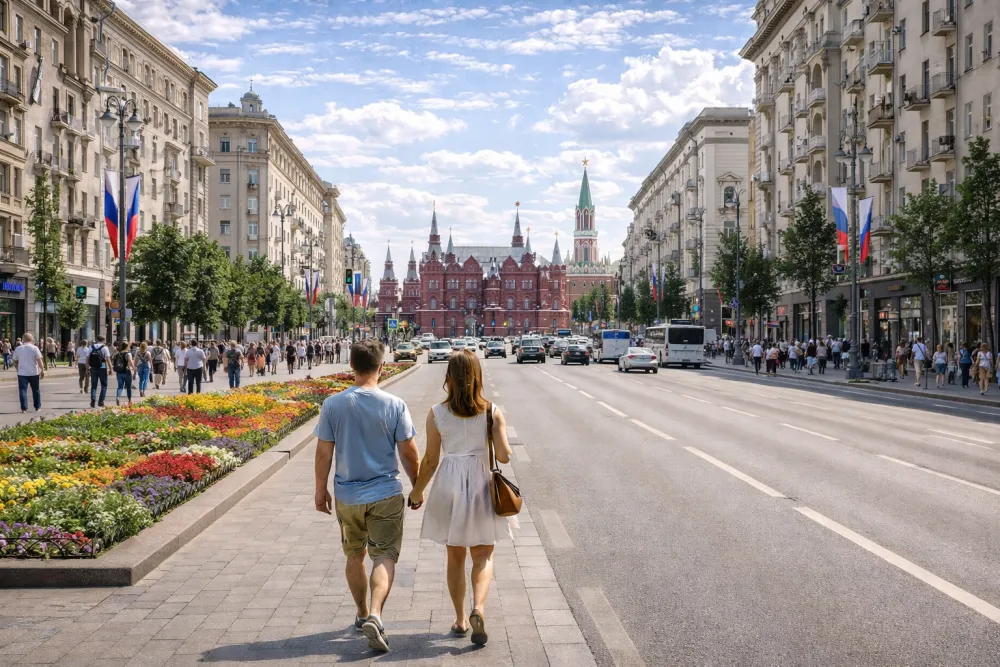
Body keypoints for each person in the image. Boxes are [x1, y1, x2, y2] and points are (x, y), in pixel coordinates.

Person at [313, 339, 420, 653]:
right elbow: (409, 452)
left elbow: (323, 453)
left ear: (351, 366)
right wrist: (417, 486)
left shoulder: (333, 404)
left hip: (347, 496)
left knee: (354, 555)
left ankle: (361, 614)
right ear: (381, 367)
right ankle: (376, 613)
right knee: (383, 556)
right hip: (386, 493)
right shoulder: (394, 404)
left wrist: (321, 490)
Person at [408, 350, 514, 646]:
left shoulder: (437, 413)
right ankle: (478, 608)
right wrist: (495, 433)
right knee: (483, 555)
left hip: (449, 482)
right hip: (481, 482)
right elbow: (504, 457)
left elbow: (430, 460)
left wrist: (417, 493)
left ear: (449, 379)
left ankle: (459, 619)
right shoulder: (491, 411)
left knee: (455, 557)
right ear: (477, 377)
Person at [12, 332, 44, 413]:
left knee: (22, 390)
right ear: (31, 339)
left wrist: (17, 368)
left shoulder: (18, 348)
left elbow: (15, 360)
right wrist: (42, 370)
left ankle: (24, 408)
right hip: (33, 372)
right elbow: (39, 360)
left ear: (23, 339)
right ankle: (37, 407)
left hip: (22, 373)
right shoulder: (34, 348)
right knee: (36, 390)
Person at [88, 335, 111, 408]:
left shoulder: (91, 347)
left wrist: (87, 369)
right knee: (104, 385)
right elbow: (108, 359)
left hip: (93, 368)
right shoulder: (105, 347)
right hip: (102, 368)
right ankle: (101, 402)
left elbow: (87, 358)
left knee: (93, 385)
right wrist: (110, 368)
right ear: (103, 340)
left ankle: (93, 399)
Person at [111, 341, 136, 406]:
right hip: (126, 371)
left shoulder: (117, 354)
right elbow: (130, 361)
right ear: (127, 346)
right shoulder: (128, 354)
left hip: (119, 372)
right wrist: (134, 369)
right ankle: (129, 400)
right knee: (128, 387)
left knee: (120, 387)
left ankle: (118, 397)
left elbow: (113, 362)